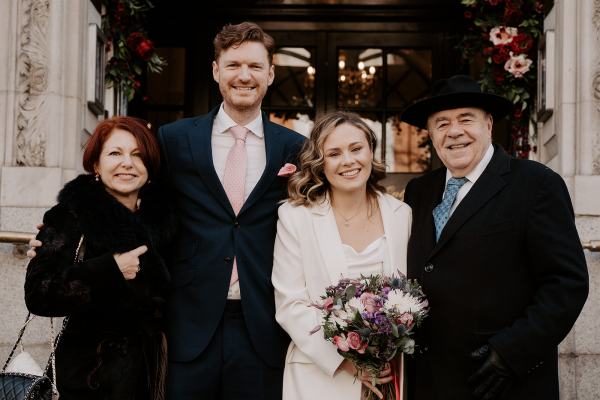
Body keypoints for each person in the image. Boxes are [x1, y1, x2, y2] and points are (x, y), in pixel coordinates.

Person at [400, 75, 589, 400]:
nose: (454, 131)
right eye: (441, 123)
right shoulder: (418, 191)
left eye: (465, 119)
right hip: (430, 381)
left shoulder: (535, 184)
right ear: (430, 134)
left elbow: (566, 284)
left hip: (502, 382)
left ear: (488, 125)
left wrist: (511, 353)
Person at [157, 22, 305, 399]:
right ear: (216, 70)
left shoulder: (297, 148)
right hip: (190, 324)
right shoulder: (173, 140)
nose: (244, 76)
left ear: (270, 74)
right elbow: (145, 211)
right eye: (234, 64)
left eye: (255, 66)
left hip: (264, 324)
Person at [24, 116, 176, 400]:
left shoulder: (167, 222)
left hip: (151, 379)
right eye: (115, 153)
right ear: (96, 164)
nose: (127, 163)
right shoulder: (70, 216)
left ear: (150, 167)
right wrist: (109, 270)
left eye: (137, 155)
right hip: (88, 377)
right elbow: (38, 294)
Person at [271, 111, 412, 400]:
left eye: (356, 149)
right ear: (320, 164)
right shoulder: (295, 217)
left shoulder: (402, 215)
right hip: (319, 376)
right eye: (334, 154)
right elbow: (291, 304)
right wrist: (348, 361)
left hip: (388, 375)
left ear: (371, 152)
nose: (348, 161)